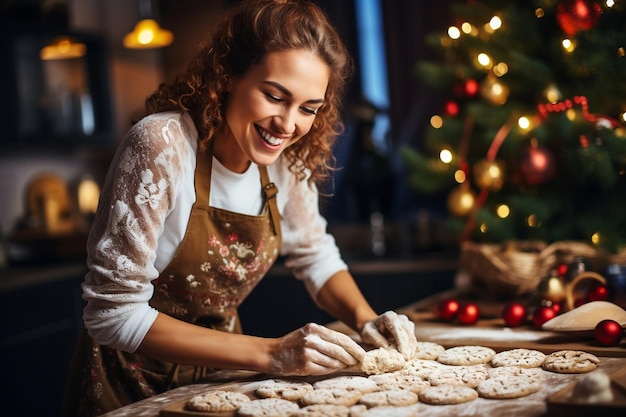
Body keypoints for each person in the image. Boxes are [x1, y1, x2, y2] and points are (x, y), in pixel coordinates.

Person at [63, 0, 418, 415]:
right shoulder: (160, 145)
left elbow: (314, 254)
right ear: (228, 75)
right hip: (124, 387)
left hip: (220, 380)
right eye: (274, 96)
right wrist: (270, 354)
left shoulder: (287, 160)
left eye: (307, 108)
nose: (287, 125)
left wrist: (367, 320)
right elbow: (111, 312)